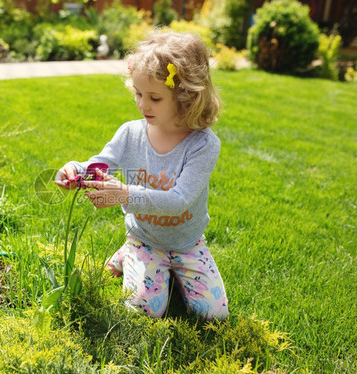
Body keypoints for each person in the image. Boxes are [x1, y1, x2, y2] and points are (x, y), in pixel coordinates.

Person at [55, 31, 229, 320]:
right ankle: (130, 252)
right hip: (145, 238)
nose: (143, 105)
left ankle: (131, 259)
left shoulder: (203, 145)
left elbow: (179, 200)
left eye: (155, 98)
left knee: (213, 315)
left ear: (186, 96)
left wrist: (124, 195)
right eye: (138, 93)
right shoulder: (131, 133)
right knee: (146, 310)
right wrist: (76, 170)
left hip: (188, 244)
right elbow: (102, 165)